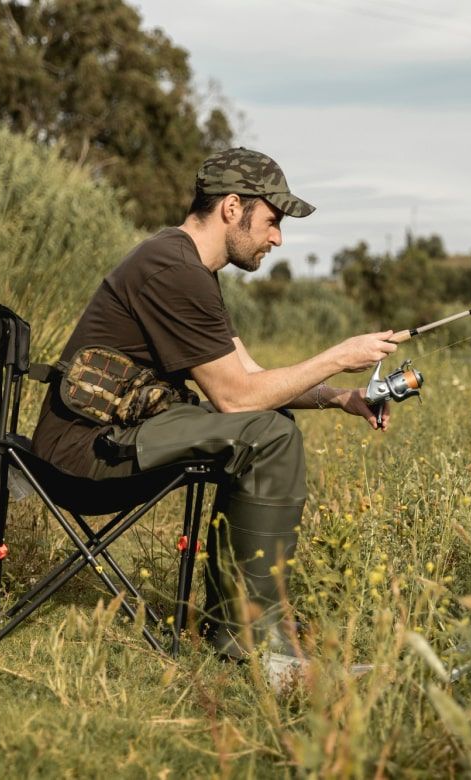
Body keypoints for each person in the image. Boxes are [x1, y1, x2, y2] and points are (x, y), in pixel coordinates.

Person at [32, 147, 398, 682]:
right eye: (272, 222)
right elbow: (237, 400)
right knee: (267, 435)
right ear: (232, 207)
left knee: (272, 426)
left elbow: (251, 378)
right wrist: (339, 356)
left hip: (108, 436)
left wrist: (340, 396)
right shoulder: (173, 269)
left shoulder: (187, 268)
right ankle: (259, 646)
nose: (277, 238)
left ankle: (241, 632)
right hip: (83, 455)